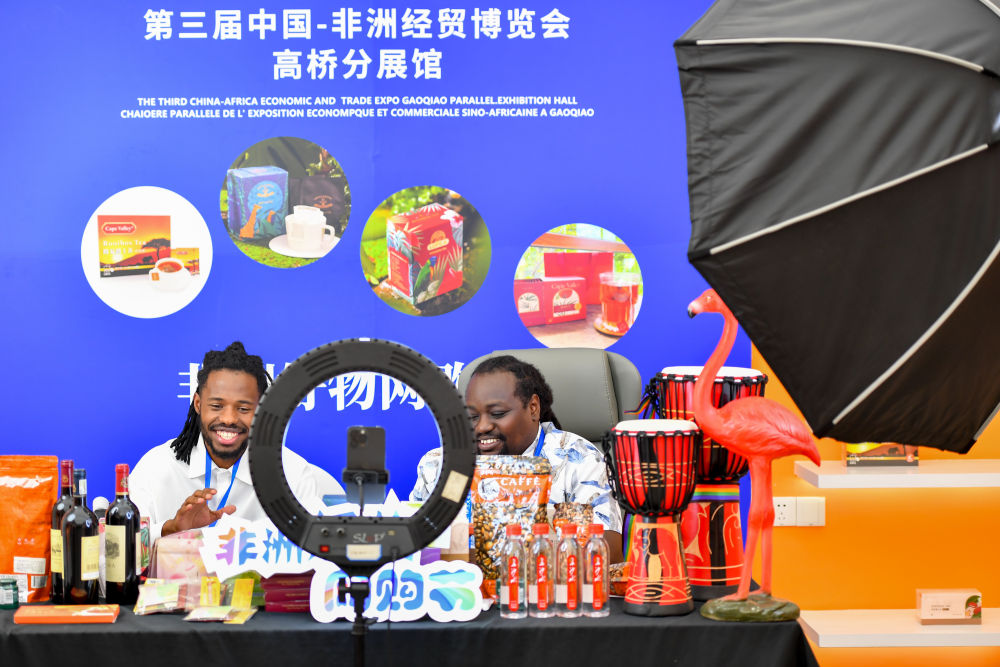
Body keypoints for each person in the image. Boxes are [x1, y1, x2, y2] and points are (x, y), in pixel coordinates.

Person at [410, 355, 624, 563]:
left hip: (547, 588)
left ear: (533, 408)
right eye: (472, 417)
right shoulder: (439, 465)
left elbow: (607, 552)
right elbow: (413, 550)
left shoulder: (578, 459)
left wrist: (476, 557)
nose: (482, 427)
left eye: (497, 413)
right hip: (458, 587)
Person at [130, 341, 332, 542]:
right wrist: (170, 529)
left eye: (243, 409)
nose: (229, 419)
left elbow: (313, 547)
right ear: (198, 404)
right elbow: (122, 546)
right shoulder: (156, 468)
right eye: (217, 406)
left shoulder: (291, 473)